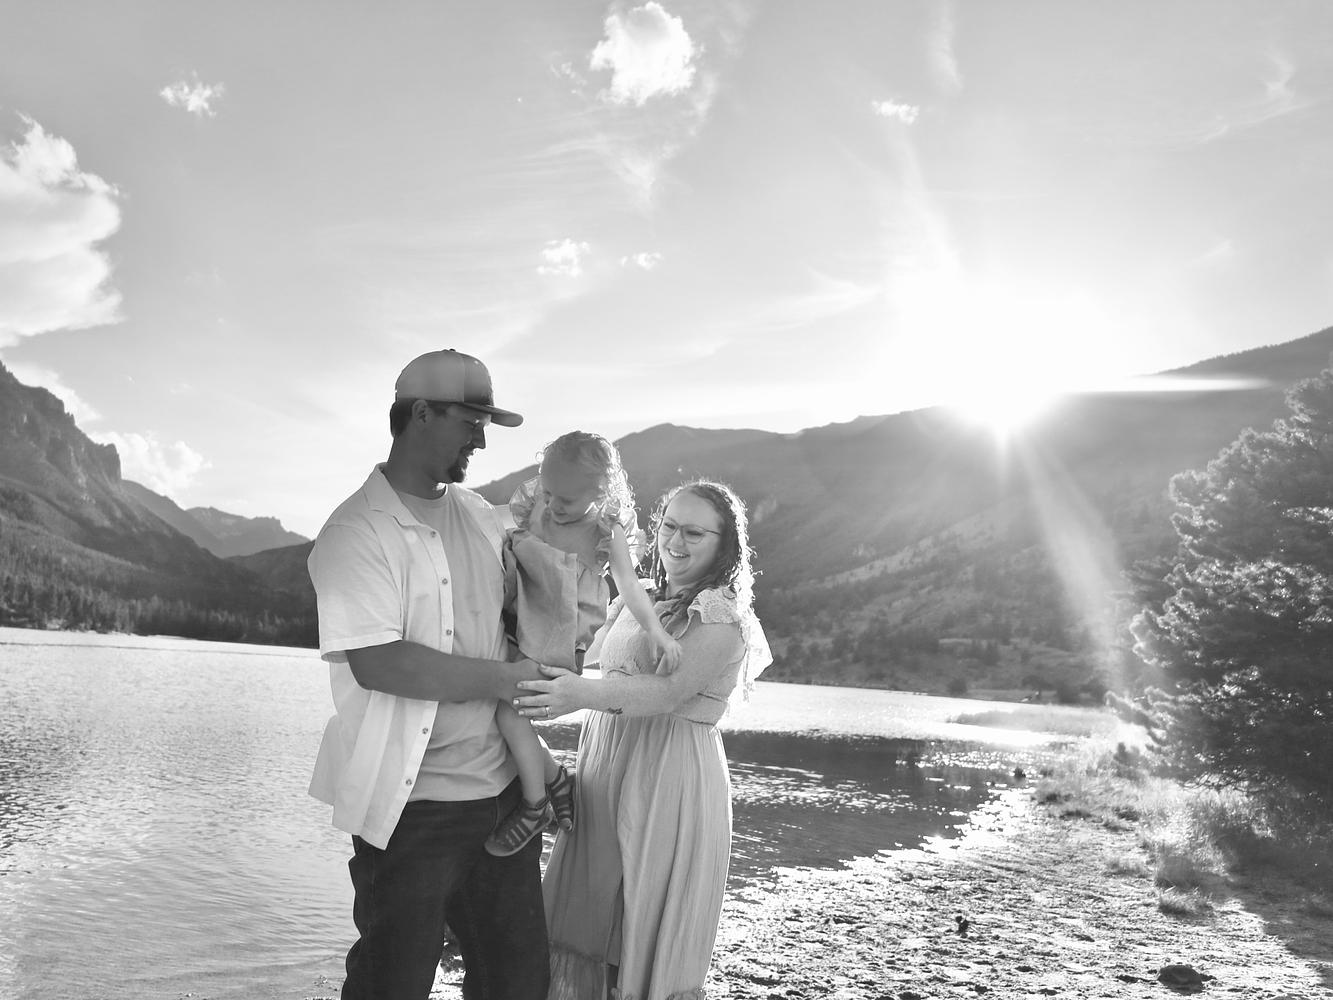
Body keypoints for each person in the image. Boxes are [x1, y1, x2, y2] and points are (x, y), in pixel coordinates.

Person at [307, 348, 549, 1000]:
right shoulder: (354, 532)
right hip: (412, 813)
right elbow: (380, 663)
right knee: (391, 985)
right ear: (420, 414)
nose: (481, 440)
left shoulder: (481, 515)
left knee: (518, 986)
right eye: (470, 422)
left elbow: (523, 616)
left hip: (503, 802)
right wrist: (507, 680)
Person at [512, 480, 772, 1000]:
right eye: (669, 526)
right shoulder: (638, 600)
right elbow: (577, 654)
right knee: (589, 905)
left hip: (669, 774)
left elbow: (669, 692)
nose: (675, 541)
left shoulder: (723, 615)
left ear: (725, 544)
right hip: (604, 764)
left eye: (694, 532)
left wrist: (578, 694)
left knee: (640, 904)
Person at [485, 431, 681, 858]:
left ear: (600, 491)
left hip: (561, 627)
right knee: (496, 708)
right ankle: (556, 779)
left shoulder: (604, 530)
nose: (553, 505)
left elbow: (629, 586)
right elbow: (493, 528)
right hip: (519, 611)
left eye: (567, 500)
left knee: (508, 712)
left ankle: (535, 805)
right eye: (548, 492)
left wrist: (656, 631)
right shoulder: (537, 504)